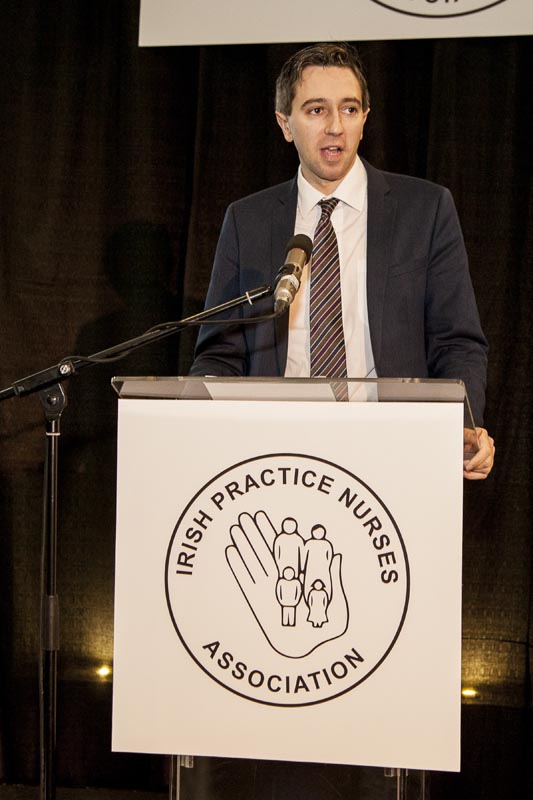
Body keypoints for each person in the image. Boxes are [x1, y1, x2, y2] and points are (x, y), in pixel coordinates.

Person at [190, 42, 495, 479]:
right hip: (276, 458)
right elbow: (218, 356)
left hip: (395, 449)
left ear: (365, 119)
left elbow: (457, 342)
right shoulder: (248, 221)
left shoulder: (424, 210)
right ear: (285, 124)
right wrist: (200, 430)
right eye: (316, 110)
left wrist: (462, 429)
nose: (335, 127)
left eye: (349, 110)